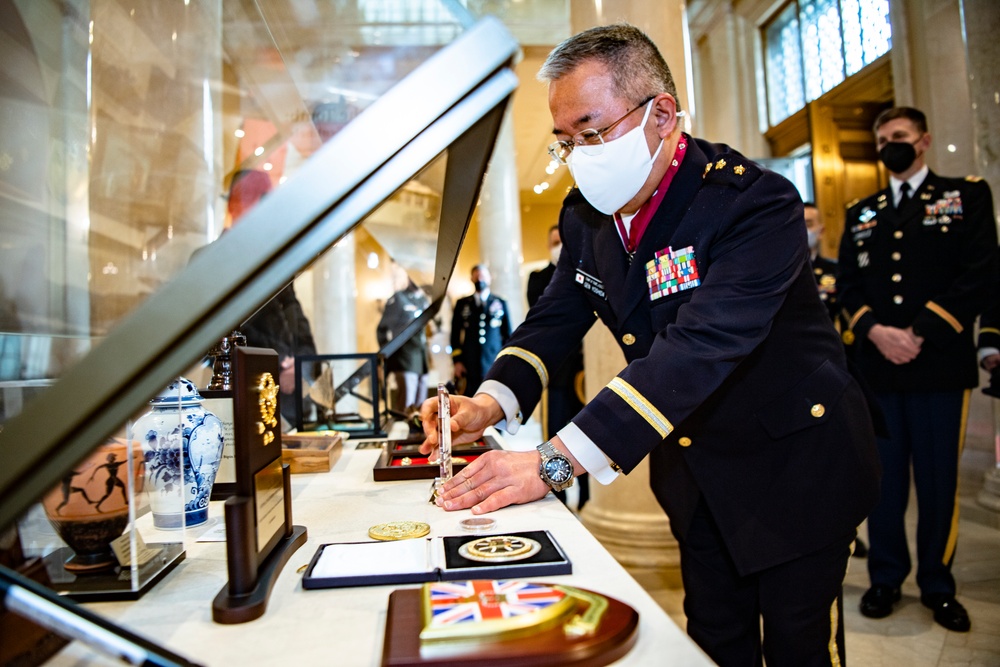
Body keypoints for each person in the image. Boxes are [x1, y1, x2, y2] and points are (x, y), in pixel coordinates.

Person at [420, 24, 880, 666]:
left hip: (794, 466)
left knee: (800, 646)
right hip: (695, 468)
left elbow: (699, 346)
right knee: (717, 639)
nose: (578, 155)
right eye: (564, 142)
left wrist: (556, 461)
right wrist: (490, 402)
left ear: (661, 114)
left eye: (591, 131)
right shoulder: (587, 219)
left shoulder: (753, 203)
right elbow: (554, 318)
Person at [838, 106, 999, 633]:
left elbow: (980, 273)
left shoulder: (964, 196)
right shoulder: (862, 211)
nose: (890, 146)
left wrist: (918, 332)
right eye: (882, 139)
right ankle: (886, 576)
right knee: (881, 481)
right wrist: (878, 333)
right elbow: (847, 289)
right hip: (878, 369)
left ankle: (937, 583)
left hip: (938, 366)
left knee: (937, 481)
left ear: (924, 141)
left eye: (900, 137)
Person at [222, 170, 319, 426]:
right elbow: (228, 334)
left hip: (291, 403)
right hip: (248, 400)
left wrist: (299, 369)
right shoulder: (213, 261)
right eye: (260, 200)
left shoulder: (275, 264)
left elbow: (300, 327)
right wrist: (280, 366)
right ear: (234, 204)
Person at [527, 225, 589, 510]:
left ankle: (587, 494)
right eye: (553, 242)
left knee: (587, 433)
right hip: (556, 370)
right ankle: (558, 494)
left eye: (561, 242)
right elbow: (541, 314)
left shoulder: (586, 270)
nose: (558, 247)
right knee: (555, 432)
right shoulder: (539, 278)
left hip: (584, 370)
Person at [449, 264, 511, 396]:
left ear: (489, 279)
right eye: (476, 276)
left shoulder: (500, 302)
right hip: (469, 362)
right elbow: (455, 334)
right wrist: (457, 361)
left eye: (482, 276)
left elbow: (507, 334)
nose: (479, 279)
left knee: (492, 397)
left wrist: (506, 361)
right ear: (471, 278)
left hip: (493, 360)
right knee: (470, 397)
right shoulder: (462, 303)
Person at [377, 264, 431, 413]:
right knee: (407, 401)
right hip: (405, 356)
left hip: (421, 355)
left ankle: (418, 433)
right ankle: (403, 434)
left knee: (421, 403)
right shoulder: (398, 299)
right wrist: (387, 352)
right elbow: (382, 329)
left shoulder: (423, 300)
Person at [804, 202, 841, 323]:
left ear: (821, 231)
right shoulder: (781, 271)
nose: (803, 230)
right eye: (797, 225)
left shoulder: (835, 270)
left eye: (808, 224)